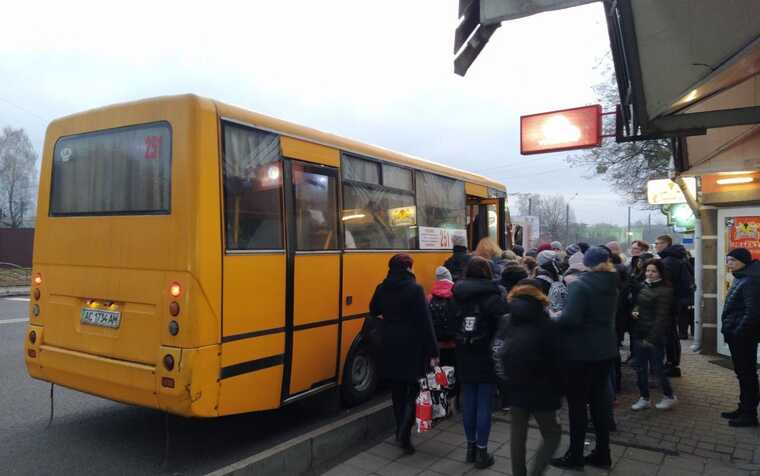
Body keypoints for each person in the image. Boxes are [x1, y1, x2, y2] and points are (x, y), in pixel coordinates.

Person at [551, 247, 619, 470]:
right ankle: (603, 453)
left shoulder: (581, 284)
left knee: (577, 406)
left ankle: (575, 455)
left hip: (580, 353)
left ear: (587, 263)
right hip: (605, 350)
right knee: (599, 403)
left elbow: (571, 319)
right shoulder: (611, 282)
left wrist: (554, 316)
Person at [369, 254, 439, 454]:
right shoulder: (415, 289)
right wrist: (433, 350)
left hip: (389, 344)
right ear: (409, 268)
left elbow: (373, 309)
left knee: (397, 391)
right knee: (414, 390)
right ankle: (404, 432)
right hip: (412, 346)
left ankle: (399, 427)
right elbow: (425, 323)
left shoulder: (382, 288)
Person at [492, 284, 561, 476]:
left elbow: (498, 349)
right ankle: (536, 472)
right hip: (544, 389)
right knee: (552, 434)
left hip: (514, 385)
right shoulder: (548, 325)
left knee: (517, 434)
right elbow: (557, 359)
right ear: (540, 299)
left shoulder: (506, 320)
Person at [453, 256, 509, 469]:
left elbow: (451, 323)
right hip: (486, 356)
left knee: (468, 401)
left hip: (464, 354)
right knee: (484, 403)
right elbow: (505, 326)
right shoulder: (494, 296)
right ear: (488, 272)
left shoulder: (456, 295)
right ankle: (482, 452)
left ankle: (470, 448)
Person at [629, 259, 677, 411]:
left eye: (653, 271)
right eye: (648, 270)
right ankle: (644, 398)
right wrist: (635, 311)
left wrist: (651, 338)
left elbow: (662, 318)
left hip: (654, 336)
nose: (649, 274)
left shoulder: (666, 290)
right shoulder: (644, 285)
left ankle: (669, 396)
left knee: (657, 368)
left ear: (660, 272)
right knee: (640, 368)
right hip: (639, 332)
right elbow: (638, 303)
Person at [720, 248, 760, 427]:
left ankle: (749, 414)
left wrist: (738, 331)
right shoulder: (743, 276)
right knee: (743, 374)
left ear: (744, 261)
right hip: (739, 335)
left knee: (747, 375)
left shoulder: (750, 279)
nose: (729, 264)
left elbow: (753, 313)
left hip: (743, 337)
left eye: (733, 261)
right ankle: (743, 408)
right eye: (728, 260)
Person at [655, 235, 694, 377]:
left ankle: (672, 364)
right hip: (677, 301)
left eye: (658, 243)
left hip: (669, 302)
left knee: (669, 335)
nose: (656, 246)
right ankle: (673, 363)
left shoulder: (668, 261)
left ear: (666, 244)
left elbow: (665, 283)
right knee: (672, 334)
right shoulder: (679, 257)